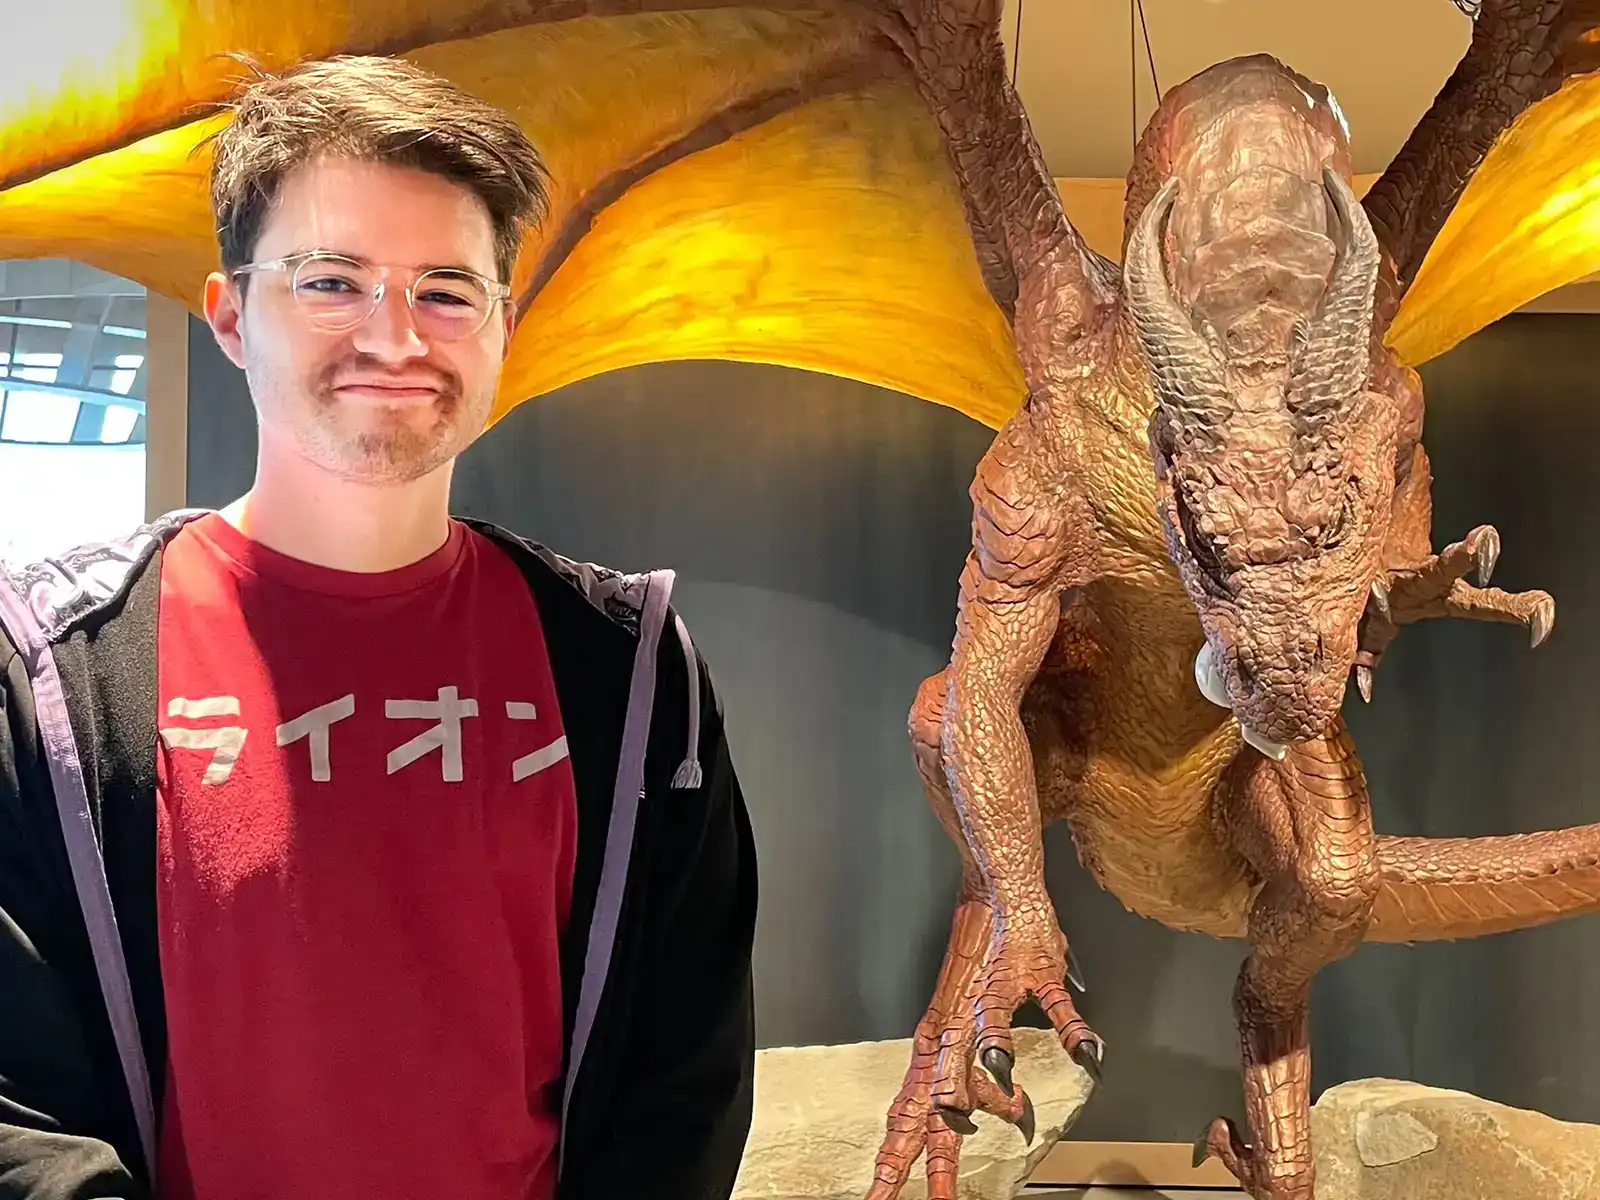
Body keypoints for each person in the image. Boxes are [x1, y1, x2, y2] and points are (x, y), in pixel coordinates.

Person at [0, 54, 757, 1200]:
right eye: (330, 279)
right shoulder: (55, 669)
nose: (396, 338)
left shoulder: (631, 671)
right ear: (230, 314)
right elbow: (20, 1108)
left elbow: (682, 1085)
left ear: (505, 326)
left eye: (446, 291)